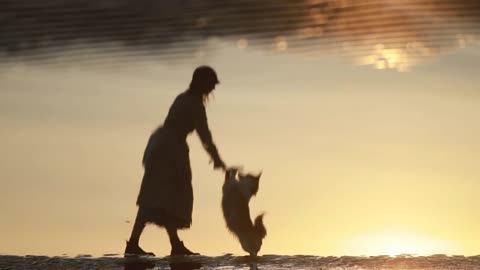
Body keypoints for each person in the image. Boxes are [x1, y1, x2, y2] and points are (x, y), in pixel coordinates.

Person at [125, 66, 226, 256]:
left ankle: (171, 244)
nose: (213, 88)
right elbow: (205, 135)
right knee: (161, 196)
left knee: (165, 197)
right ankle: (136, 244)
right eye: (211, 83)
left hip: (163, 144)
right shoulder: (195, 104)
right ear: (202, 83)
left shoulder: (183, 98)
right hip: (170, 150)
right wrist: (217, 159)